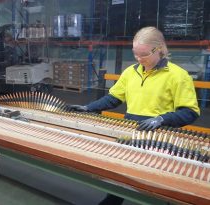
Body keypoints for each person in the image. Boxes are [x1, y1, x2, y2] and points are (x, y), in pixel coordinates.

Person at [67, 26, 200, 205]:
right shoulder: (131, 72)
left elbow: (190, 112)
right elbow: (113, 98)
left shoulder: (178, 76)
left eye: (143, 54)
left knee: (157, 181)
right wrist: (88, 107)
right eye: (135, 54)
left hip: (159, 139)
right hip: (130, 134)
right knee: (122, 174)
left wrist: (162, 119)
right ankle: (113, 199)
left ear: (159, 49)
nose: (138, 59)